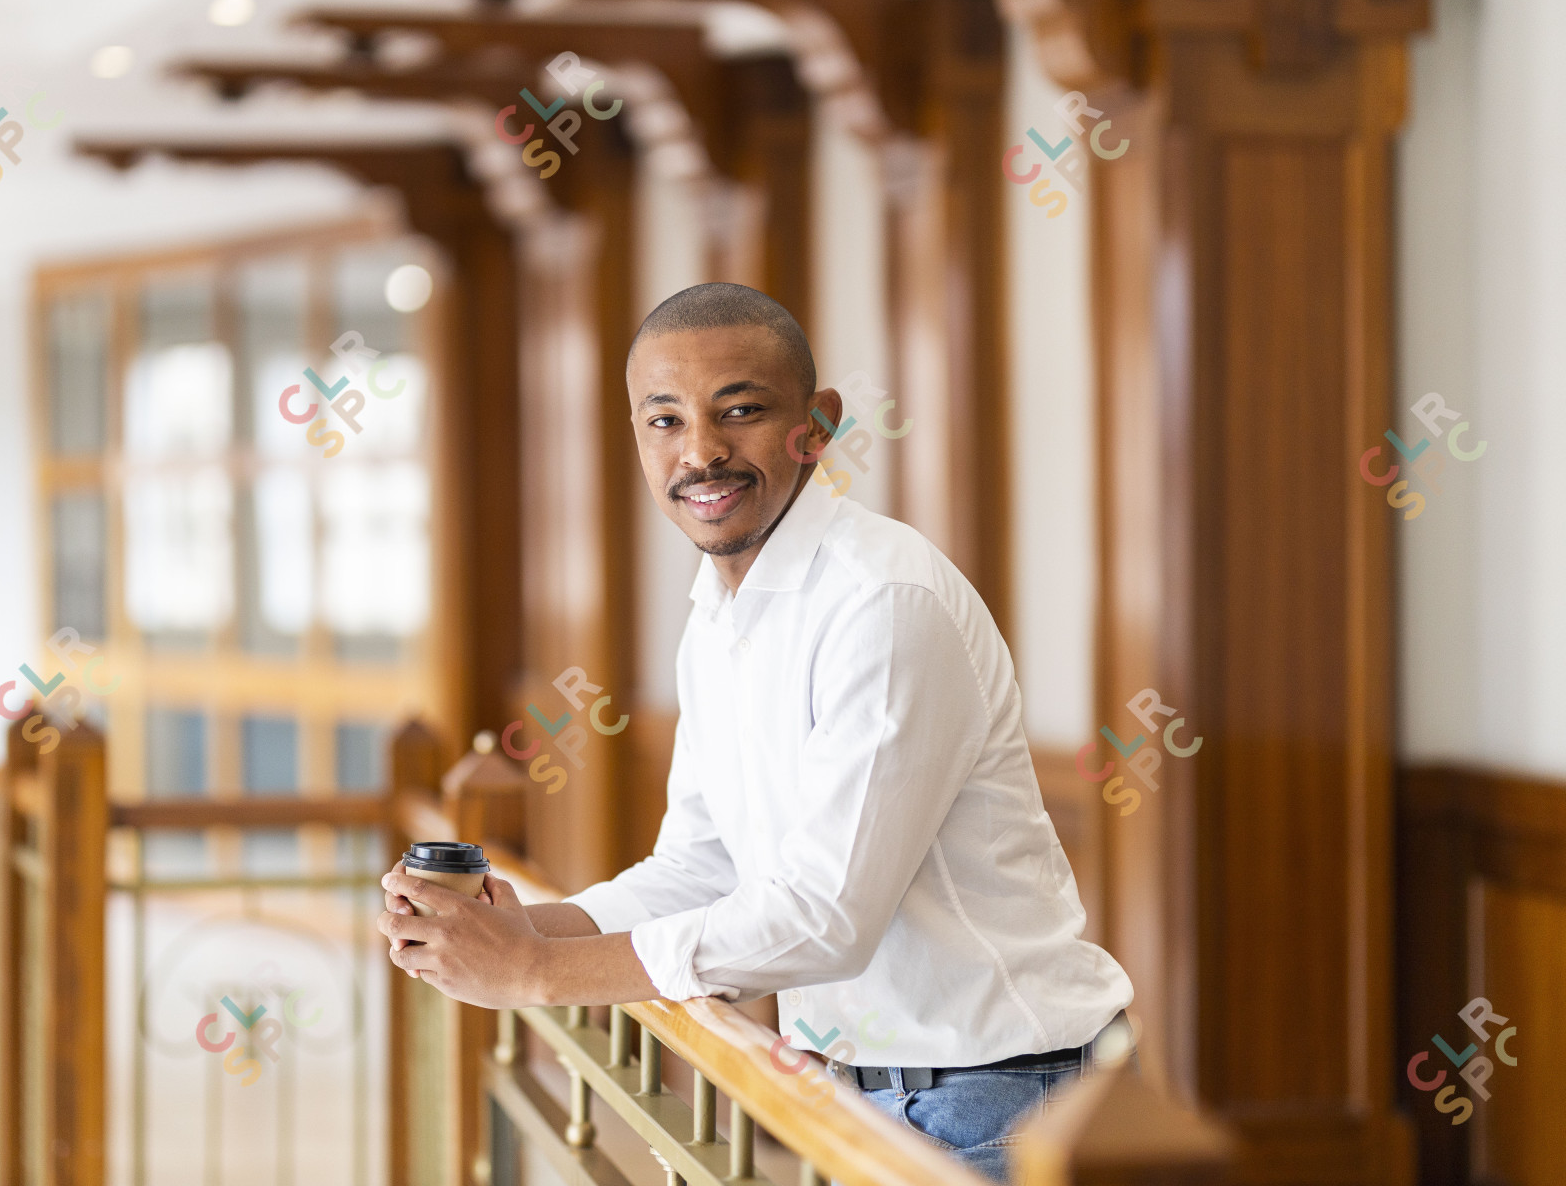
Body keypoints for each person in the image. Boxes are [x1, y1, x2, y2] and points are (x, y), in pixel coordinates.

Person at [377, 282, 1132, 1181]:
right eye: (665, 421)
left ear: (817, 423)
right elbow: (704, 866)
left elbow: (825, 920)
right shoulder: (720, 612)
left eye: (739, 412)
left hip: (999, 1102)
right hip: (855, 1091)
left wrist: (539, 977)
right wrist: (532, 931)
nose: (700, 452)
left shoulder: (882, 601)